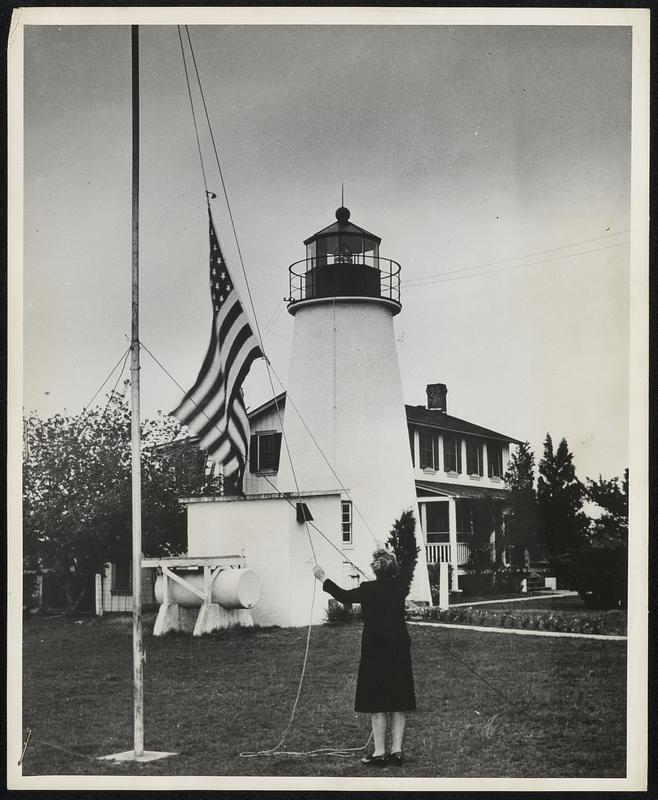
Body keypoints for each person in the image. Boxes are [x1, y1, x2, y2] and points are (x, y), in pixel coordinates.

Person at [312, 548, 415, 767]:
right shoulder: (401, 588)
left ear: (376, 570)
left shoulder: (368, 589)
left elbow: (343, 596)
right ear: (393, 569)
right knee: (399, 701)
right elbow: (394, 576)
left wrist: (323, 577)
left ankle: (379, 753)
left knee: (377, 702)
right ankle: (396, 752)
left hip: (375, 650)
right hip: (399, 650)